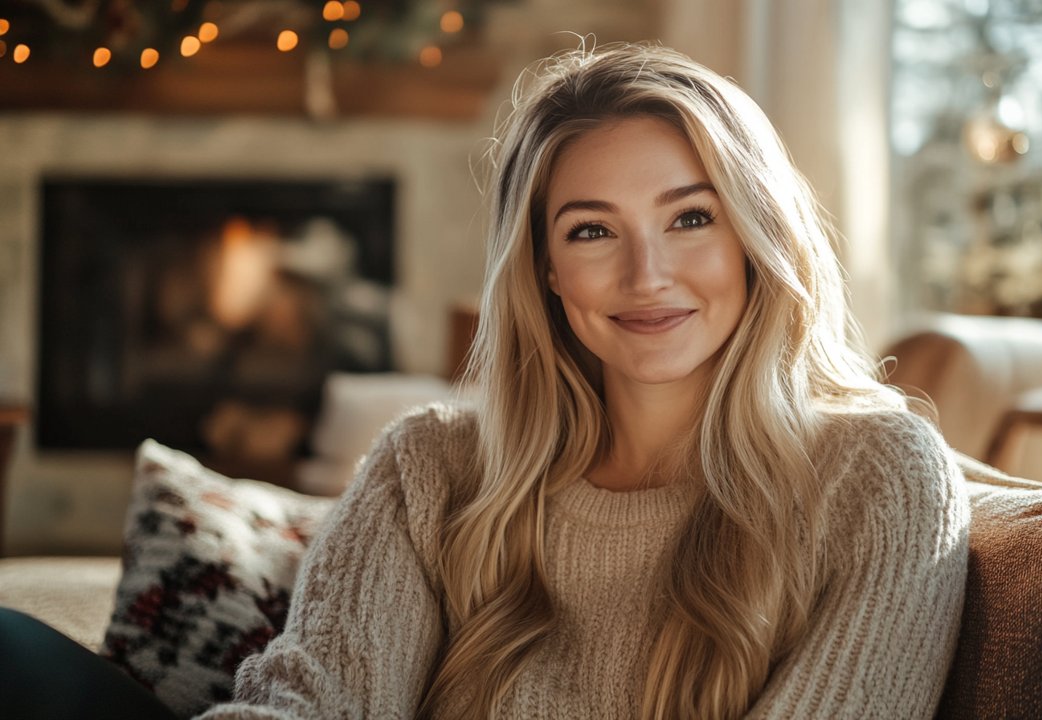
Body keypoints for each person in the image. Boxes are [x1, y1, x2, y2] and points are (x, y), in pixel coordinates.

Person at [195, 43, 969, 719]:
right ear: (547, 270)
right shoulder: (428, 470)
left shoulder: (878, 479)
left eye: (691, 218)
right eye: (592, 231)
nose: (647, 275)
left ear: (755, 236)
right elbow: (307, 701)